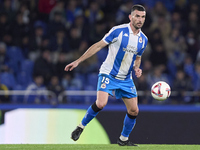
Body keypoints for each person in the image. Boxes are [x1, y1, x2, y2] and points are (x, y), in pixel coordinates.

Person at [64, 5, 148, 146]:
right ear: (130, 17)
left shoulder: (143, 39)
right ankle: (81, 126)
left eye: (143, 17)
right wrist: (78, 61)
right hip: (108, 74)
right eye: (137, 16)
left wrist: (137, 68)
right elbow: (98, 46)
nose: (140, 19)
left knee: (134, 110)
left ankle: (123, 139)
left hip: (126, 78)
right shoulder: (118, 31)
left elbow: (138, 57)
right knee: (101, 103)